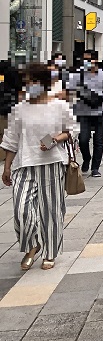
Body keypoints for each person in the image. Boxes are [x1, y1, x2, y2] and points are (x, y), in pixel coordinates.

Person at [1, 63, 77, 271]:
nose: (28, 86)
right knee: (21, 210)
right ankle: (33, 244)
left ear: (43, 83)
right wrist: (7, 167)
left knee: (51, 210)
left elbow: (71, 130)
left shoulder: (58, 106)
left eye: (32, 81)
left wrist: (55, 139)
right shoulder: (19, 109)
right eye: (26, 82)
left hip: (51, 163)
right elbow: (11, 140)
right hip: (24, 164)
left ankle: (50, 252)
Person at [66, 51, 103, 178]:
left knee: (98, 141)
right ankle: (87, 158)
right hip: (83, 112)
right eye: (85, 60)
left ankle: (95, 168)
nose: (87, 62)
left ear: (96, 60)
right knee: (83, 140)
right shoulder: (78, 75)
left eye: (89, 60)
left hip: (100, 111)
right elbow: (68, 92)